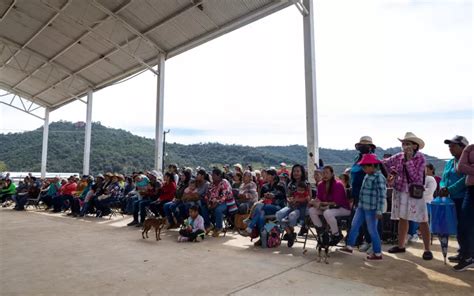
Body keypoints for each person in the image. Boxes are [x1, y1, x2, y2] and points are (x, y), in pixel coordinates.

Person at [384, 132, 432, 260]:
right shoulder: (398, 156)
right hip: (400, 191)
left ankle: (427, 249)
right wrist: (391, 173)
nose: (404, 146)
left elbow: (416, 177)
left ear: (415, 146)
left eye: (407, 144)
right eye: (403, 144)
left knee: (422, 219)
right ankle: (401, 245)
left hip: (415, 193)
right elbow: (385, 163)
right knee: (402, 218)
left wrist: (409, 161)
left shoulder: (420, 158)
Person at [339, 154, 387, 260]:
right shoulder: (367, 175)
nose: (363, 169)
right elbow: (363, 192)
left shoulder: (379, 177)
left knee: (372, 230)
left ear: (372, 165)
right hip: (362, 207)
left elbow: (382, 195)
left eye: (365, 166)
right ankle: (349, 246)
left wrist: (379, 210)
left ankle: (377, 253)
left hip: (372, 209)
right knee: (354, 225)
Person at [439, 136, 469, 265]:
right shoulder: (450, 162)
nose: (450, 148)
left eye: (453, 146)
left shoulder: (467, 161)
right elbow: (444, 178)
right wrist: (442, 187)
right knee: (458, 226)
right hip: (451, 200)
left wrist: (450, 189)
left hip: (463, 197)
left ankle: (468, 254)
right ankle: (462, 251)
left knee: (465, 226)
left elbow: (465, 180)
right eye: (449, 146)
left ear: (463, 147)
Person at [309, 166, 351, 246]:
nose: (325, 175)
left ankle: (336, 234)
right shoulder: (321, 185)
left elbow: (337, 203)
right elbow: (319, 198)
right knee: (312, 210)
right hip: (328, 207)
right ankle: (321, 232)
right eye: (323, 173)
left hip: (342, 208)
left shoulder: (338, 184)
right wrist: (314, 202)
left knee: (327, 213)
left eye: (327, 173)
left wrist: (322, 204)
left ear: (332, 174)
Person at [245, 169, 286, 246]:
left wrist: (273, 196)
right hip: (265, 208)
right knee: (260, 214)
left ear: (273, 176)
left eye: (267, 175)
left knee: (259, 207)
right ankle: (262, 237)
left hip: (277, 207)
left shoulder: (280, 185)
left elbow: (283, 196)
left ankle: (250, 223)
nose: (265, 176)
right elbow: (261, 199)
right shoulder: (264, 186)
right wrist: (265, 198)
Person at [455, 142, 474, 271]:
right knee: (465, 224)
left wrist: (470, 167)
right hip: (471, 190)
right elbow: (460, 167)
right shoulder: (470, 148)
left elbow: (465, 167)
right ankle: (468, 256)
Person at [206, 168, 237, 237]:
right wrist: (209, 202)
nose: (212, 177)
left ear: (219, 175)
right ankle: (208, 224)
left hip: (227, 203)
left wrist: (216, 203)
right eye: (212, 175)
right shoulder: (212, 184)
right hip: (215, 202)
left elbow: (224, 196)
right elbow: (209, 194)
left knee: (218, 209)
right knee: (203, 207)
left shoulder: (224, 182)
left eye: (213, 175)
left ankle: (219, 227)